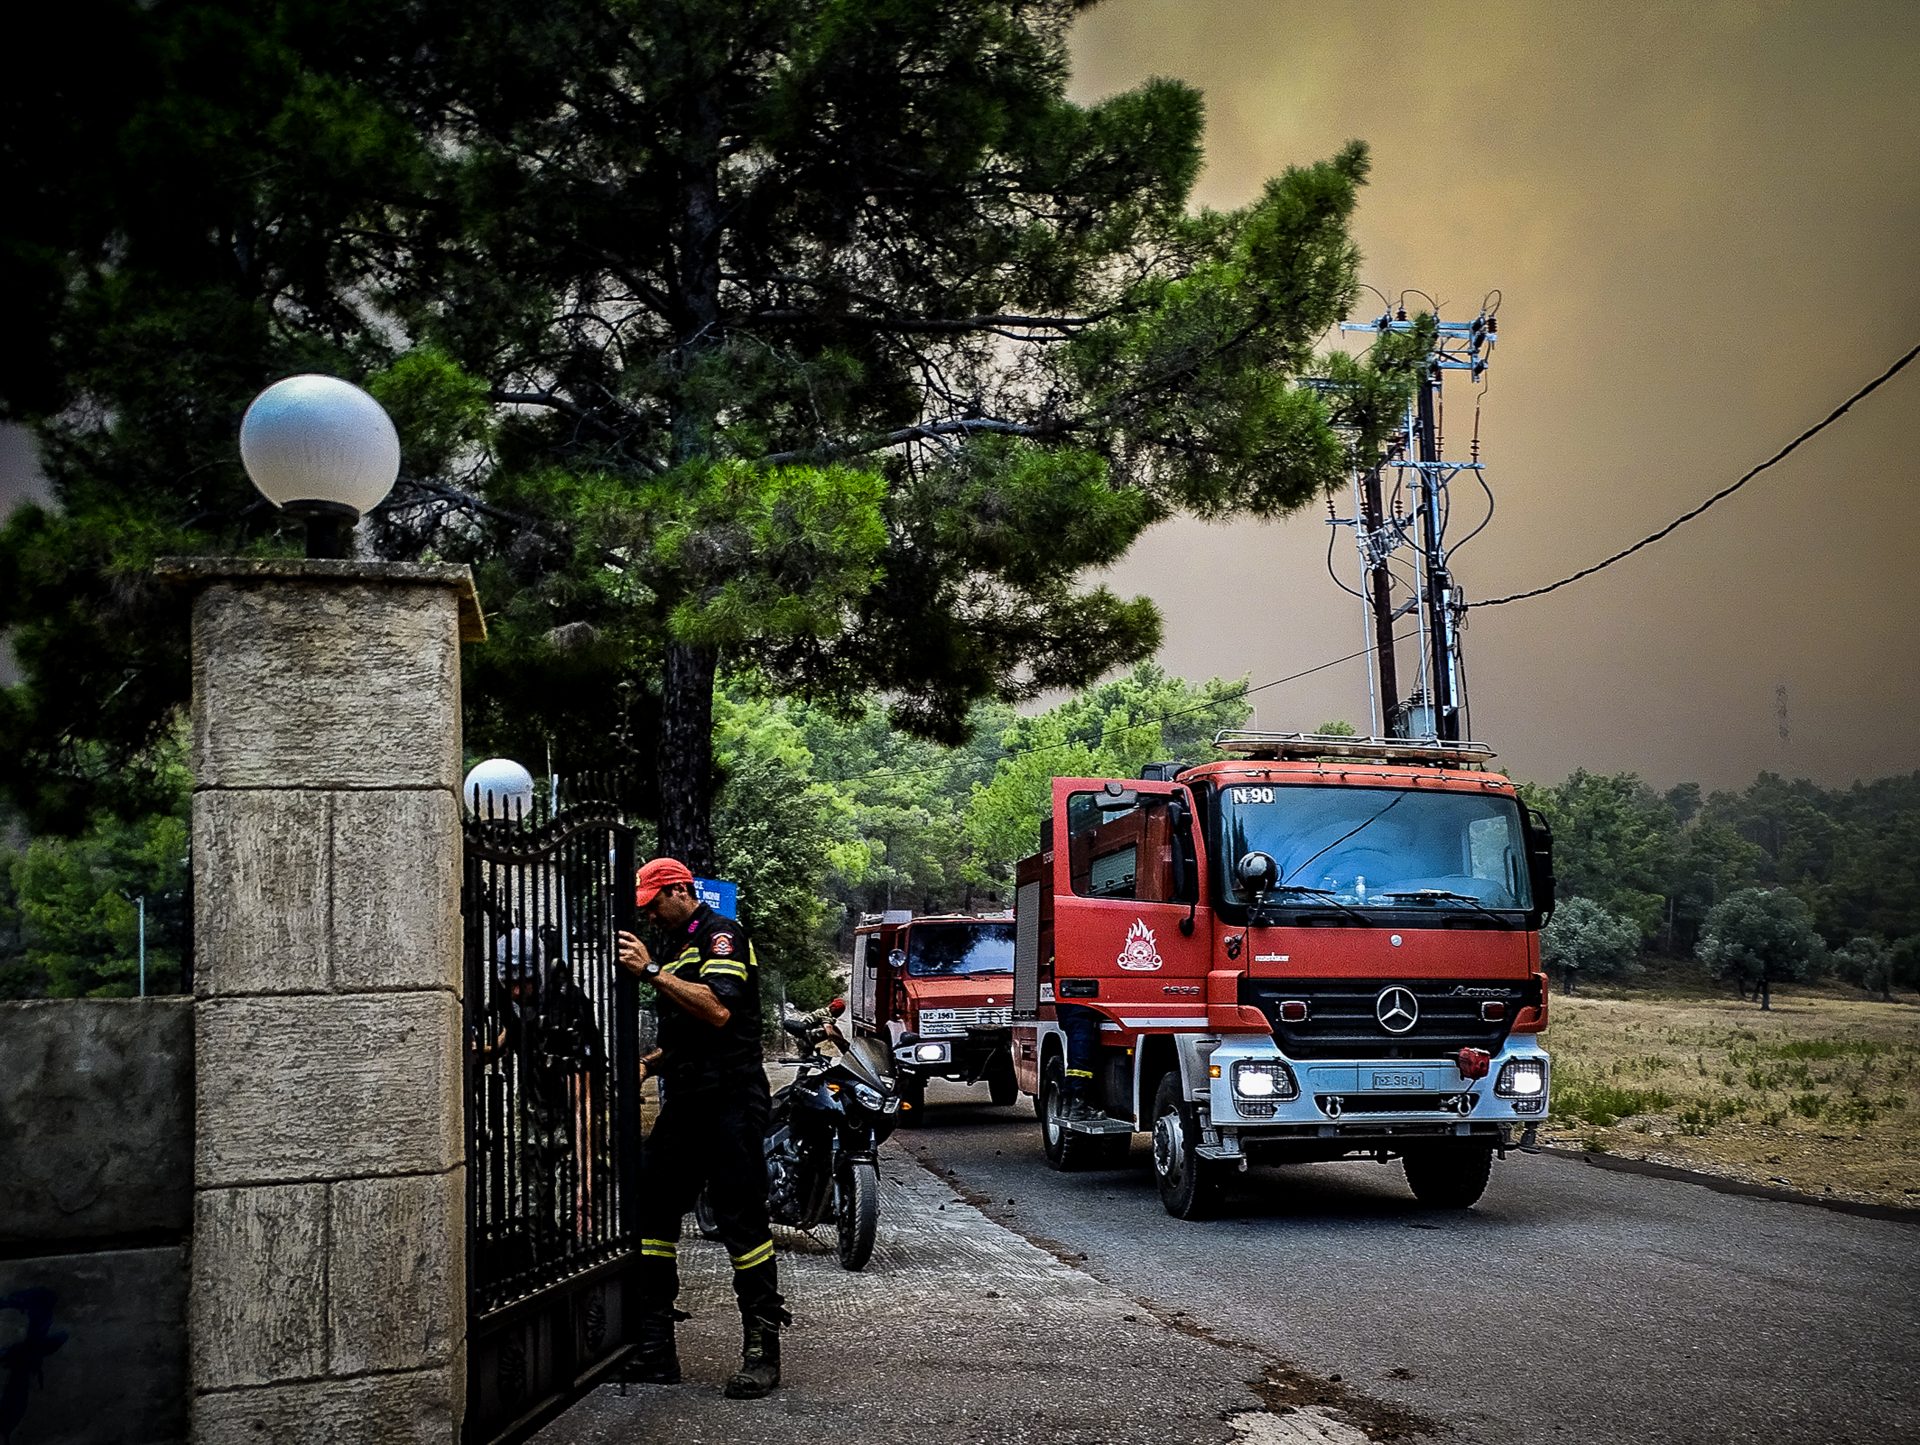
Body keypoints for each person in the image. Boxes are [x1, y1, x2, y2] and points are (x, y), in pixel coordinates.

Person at [616, 857, 788, 1398]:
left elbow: (717, 1012)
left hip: (732, 1100)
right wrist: (651, 1063)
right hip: (689, 1099)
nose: (650, 918)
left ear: (679, 890)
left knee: (741, 1220)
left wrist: (649, 972)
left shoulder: (722, 936)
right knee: (651, 1206)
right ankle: (654, 1349)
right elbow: (691, 1034)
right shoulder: (676, 946)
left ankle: (762, 1352)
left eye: (654, 905)